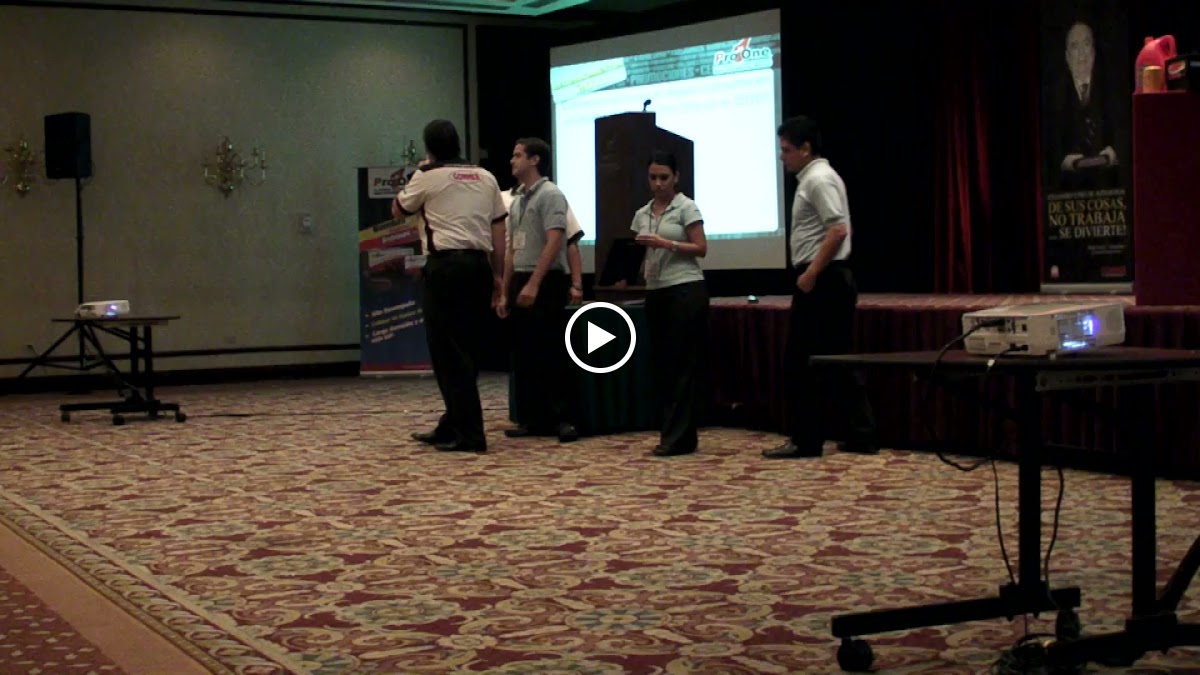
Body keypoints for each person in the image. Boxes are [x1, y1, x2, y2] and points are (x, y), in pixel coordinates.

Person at [763, 116, 877, 459]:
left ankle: (806, 440)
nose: (781, 156)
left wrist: (812, 273)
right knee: (836, 360)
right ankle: (861, 434)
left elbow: (838, 229)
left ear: (805, 149)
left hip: (823, 279)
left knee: (801, 362)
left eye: (786, 150)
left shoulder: (817, 179)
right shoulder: (820, 177)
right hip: (831, 277)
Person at [394, 119, 506, 454]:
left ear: (429, 147)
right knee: (466, 349)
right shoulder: (486, 176)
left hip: (445, 269)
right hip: (479, 267)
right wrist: (498, 275)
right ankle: (452, 424)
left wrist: (419, 171)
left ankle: (471, 434)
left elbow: (398, 210)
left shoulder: (427, 175)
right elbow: (499, 230)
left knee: (447, 353)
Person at [496, 137, 579, 442]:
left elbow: (555, 240)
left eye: (518, 155)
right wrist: (505, 290)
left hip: (545, 280)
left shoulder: (551, 194)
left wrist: (534, 283)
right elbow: (511, 249)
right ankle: (533, 418)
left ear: (534, 160)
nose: (512, 160)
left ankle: (562, 419)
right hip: (521, 276)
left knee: (550, 350)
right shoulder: (517, 200)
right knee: (524, 353)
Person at [631, 150, 710, 457]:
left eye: (664, 177)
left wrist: (666, 243)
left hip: (685, 289)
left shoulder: (686, 207)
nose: (658, 183)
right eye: (653, 177)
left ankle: (678, 438)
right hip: (656, 290)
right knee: (663, 366)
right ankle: (676, 434)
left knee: (681, 366)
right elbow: (642, 254)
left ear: (676, 177)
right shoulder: (642, 213)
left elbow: (701, 248)